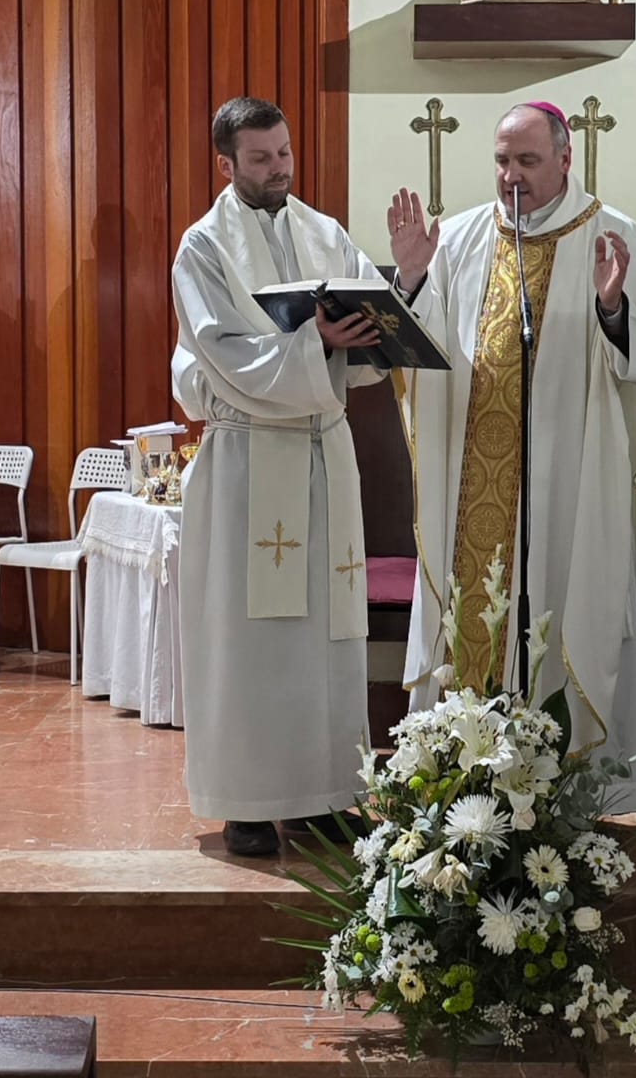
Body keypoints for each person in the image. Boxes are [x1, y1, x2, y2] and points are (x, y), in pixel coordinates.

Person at [389, 102, 636, 812]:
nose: (511, 177)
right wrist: (407, 283)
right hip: (473, 493)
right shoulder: (460, 237)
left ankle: (571, 799)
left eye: (527, 161)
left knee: (566, 607)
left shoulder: (614, 238)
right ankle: (462, 792)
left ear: (564, 159)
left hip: (572, 489)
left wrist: (614, 313)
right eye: (501, 161)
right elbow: (416, 356)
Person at [171, 97, 382, 858]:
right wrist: (312, 344)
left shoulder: (324, 234)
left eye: (284, 152)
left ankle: (325, 797)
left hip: (324, 454)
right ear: (226, 164)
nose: (279, 169)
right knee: (249, 638)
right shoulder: (202, 249)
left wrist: (399, 298)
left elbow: (370, 332)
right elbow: (222, 352)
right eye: (260, 158)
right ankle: (249, 803)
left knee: (327, 635)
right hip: (249, 459)